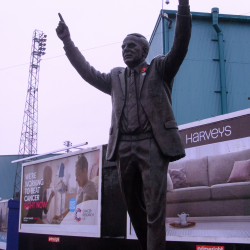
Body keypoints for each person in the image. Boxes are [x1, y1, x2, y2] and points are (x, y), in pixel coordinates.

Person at [56, 1, 191, 249]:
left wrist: (183, 5)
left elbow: (180, 45)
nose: (125, 50)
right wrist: (68, 42)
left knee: (154, 207)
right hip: (124, 146)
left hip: (152, 143)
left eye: (131, 46)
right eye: (123, 47)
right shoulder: (115, 77)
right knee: (133, 205)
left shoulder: (160, 68)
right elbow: (87, 72)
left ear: (144, 50)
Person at [53, 155, 97, 221]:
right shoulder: (81, 189)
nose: (76, 179)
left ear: (84, 171)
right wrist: (60, 216)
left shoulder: (89, 186)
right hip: (75, 222)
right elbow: (72, 208)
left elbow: (82, 214)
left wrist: (63, 221)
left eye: (78, 175)